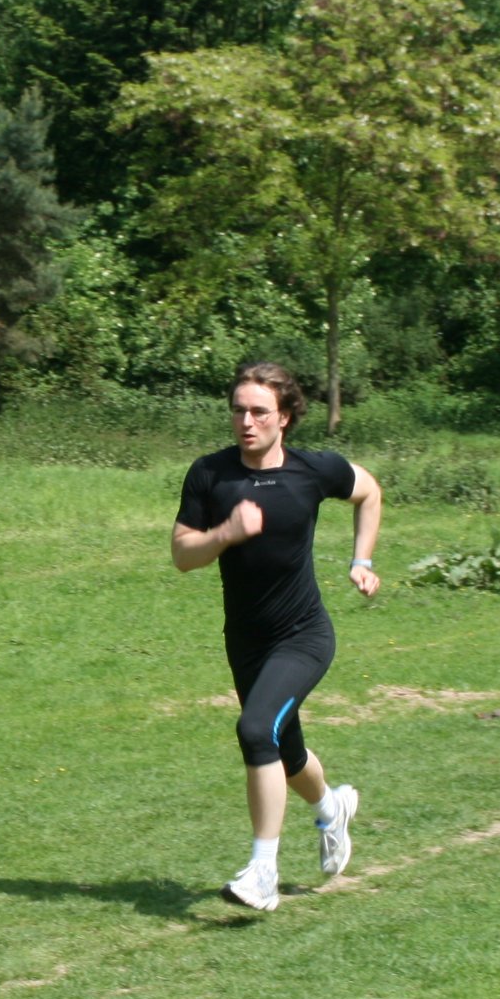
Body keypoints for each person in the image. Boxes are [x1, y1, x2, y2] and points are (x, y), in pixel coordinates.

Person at [170, 362, 383, 910]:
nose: (246, 421)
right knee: (283, 752)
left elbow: (370, 491)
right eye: (238, 410)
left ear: (284, 418)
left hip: (303, 636)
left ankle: (262, 872)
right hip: (245, 641)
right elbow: (181, 556)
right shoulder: (210, 475)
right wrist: (225, 532)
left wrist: (362, 559)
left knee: (255, 728)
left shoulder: (313, 471)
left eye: (259, 411)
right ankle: (332, 806)